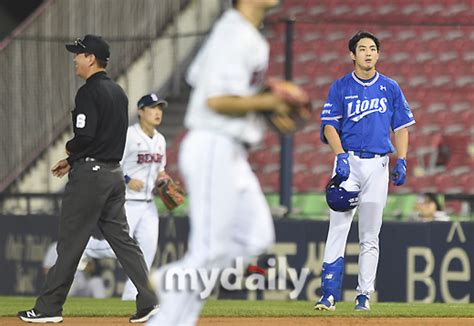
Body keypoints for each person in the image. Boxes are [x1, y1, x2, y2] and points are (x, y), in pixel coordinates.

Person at [148, 0, 290, 324]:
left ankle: (175, 281)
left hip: (232, 150)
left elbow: (197, 75)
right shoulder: (234, 32)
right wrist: (268, 101)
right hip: (213, 142)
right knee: (210, 252)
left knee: (256, 236)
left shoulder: (245, 35)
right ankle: (174, 283)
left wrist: (260, 96)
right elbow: (216, 100)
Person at [18, 34, 158, 324]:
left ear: (91, 58)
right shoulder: (119, 92)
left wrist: (71, 150)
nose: (75, 59)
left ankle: (48, 308)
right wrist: (71, 161)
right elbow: (106, 139)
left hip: (90, 179)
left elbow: (85, 138)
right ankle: (149, 300)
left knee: (71, 242)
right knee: (124, 241)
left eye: (79, 55)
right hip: (113, 176)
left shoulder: (87, 93)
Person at [314, 31, 415, 312]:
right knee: (338, 228)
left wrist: (402, 159)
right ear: (352, 55)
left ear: (378, 54)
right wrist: (340, 155)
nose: (368, 53)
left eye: (373, 48)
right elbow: (329, 125)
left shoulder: (391, 87)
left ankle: (363, 295)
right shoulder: (341, 87)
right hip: (349, 163)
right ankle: (329, 294)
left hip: (378, 165)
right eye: (362, 48)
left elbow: (402, 127)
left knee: (370, 234)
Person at [84, 93, 169, 301]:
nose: (157, 112)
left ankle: (130, 300)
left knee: (145, 255)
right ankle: (82, 247)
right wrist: (128, 178)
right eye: (152, 108)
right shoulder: (129, 135)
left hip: (149, 205)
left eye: (160, 108)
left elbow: (160, 170)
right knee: (115, 249)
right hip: (127, 202)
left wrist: (163, 179)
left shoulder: (160, 140)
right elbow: (111, 162)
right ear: (140, 111)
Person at [42, 242, 107, 299]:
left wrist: (83, 266)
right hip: (66, 283)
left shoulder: (83, 245)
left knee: (96, 282)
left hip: (83, 283)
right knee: (69, 286)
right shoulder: (54, 247)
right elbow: (46, 269)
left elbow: (89, 268)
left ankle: (104, 309)